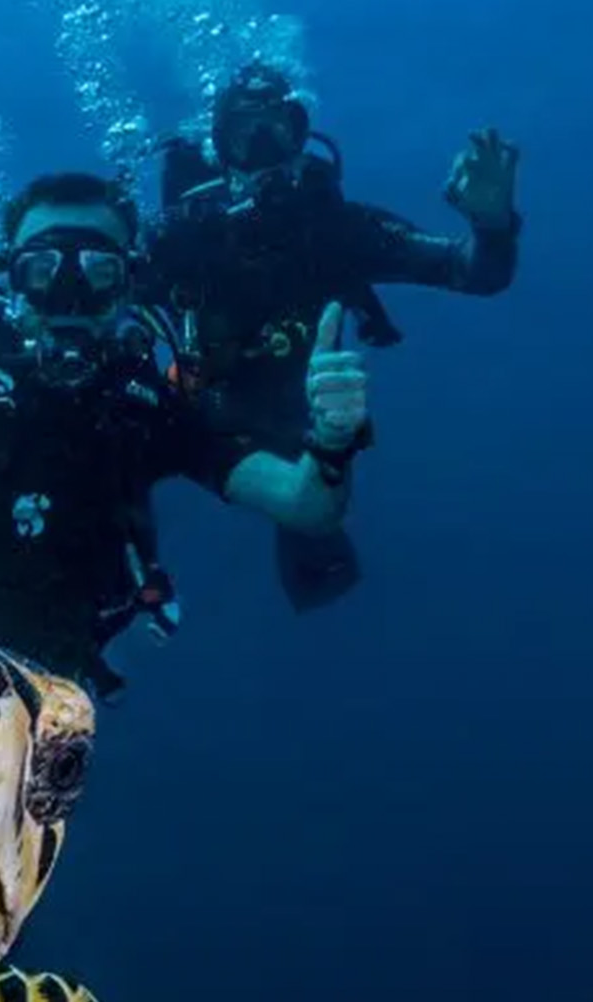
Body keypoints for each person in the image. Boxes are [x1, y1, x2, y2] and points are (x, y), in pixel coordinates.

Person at [0, 171, 373, 700]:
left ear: (128, 285)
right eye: (42, 271)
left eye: (97, 272)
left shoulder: (149, 402)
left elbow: (307, 506)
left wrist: (332, 440)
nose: (68, 295)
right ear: (10, 277)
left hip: (50, 686)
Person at [141, 60, 523, 612]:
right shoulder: (182, 236)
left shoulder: (339, 230)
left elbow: (479, 274)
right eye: (245, 135)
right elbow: (91, 297)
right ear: (219, 148)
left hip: (308, 421)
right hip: (200, 412)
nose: (266, 147)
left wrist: (492, 224)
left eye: (280, 128)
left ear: (303, 136)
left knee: (316, 534)